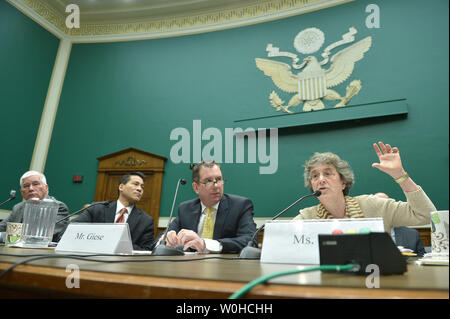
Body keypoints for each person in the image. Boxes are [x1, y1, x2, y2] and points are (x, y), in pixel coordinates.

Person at [294, 141, 436, 233]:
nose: (321, 180)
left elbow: (426, 216)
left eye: (328, 173)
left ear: (343, 182)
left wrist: (400, 175)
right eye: (314, 176)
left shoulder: (373, 205)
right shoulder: (308, 217)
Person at [162, 160, 257, 253]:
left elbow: (250, 241)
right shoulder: (185, 209)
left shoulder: (240, 206)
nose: (216, 186)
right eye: (208, 181)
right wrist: (167, 239)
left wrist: (206, 244)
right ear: (196, 187)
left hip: (225, 267)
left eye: (219, 179)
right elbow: (162, 238)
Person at [70, 171, 154, 251]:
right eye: (135, 184)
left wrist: (120, 244)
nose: (140, 189)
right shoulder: (96, 209)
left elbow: (146, 250)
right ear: (121, 187)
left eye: (142, 187)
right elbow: (72, 228)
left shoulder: (146, 220)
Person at [0, 171, 69, 242]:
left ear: (46, 187)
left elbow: (40, 235)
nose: (31, 189)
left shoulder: (58, 207)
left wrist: (3, 236)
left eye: (36, 184)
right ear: (22, 192)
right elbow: (2, 226)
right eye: (26, 186)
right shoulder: (18, 207)